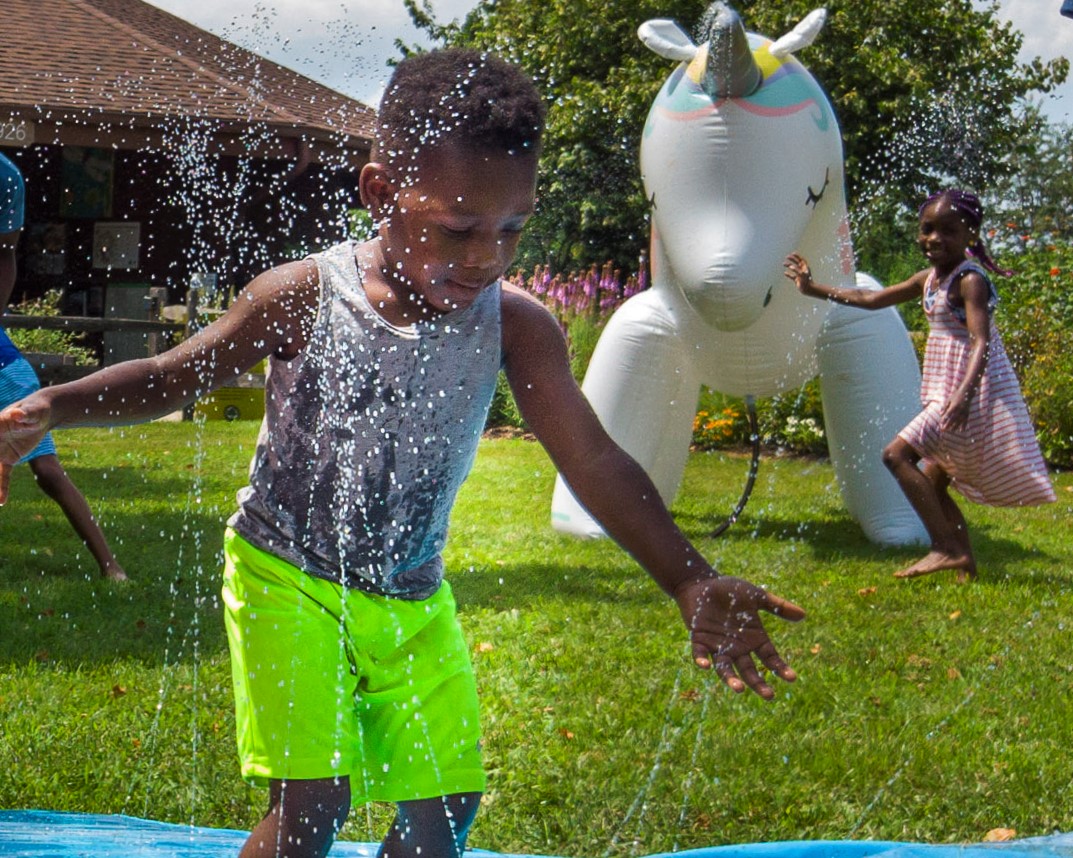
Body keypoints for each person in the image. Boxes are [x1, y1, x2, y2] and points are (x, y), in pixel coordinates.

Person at [0, 50, 804, 858]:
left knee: (445, 808)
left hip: (413, 595)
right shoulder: (306, 297)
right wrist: (55, 405)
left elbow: (591, 458)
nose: (488, 255)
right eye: (459, 227)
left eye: (512, 229)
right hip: (287, 574)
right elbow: (173, 376)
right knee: (313, 806)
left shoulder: (517, 327)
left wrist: (689, 577)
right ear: (382, 191)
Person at [785, 189, 1055, 583]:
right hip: (948, 394)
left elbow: (981, 340)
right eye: (928, 229)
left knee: (896, 455)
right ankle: (964, 562)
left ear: (970, 237)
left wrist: (963, 397)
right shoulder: (929, 279)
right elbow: (871, 298)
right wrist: (814, 289)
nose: (935, 238)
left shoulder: (969, 280)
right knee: (932, 479)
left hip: (965, 394)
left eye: (949, 230)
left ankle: (945, 547)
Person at [0, 150, 126, 581]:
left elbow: (6, 254)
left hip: (5, 372)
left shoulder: (6, 178)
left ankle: (111, 567)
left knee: (48, 472)